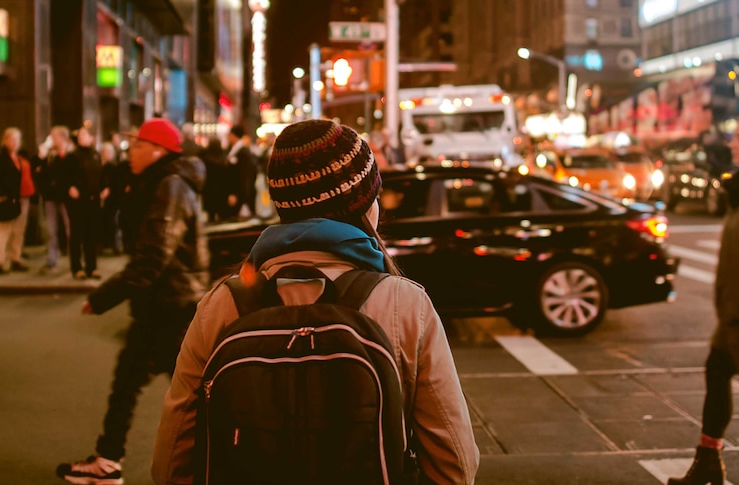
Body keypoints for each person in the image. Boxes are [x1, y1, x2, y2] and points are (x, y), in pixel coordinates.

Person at [151, 119, 480, 484]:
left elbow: (170, 465)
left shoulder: (223, 304)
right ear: (364, 206)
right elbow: (455, 466)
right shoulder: (404, 303)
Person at [56, 118, 208, 485]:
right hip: (164, 303)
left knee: (191, 395)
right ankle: (107, 460)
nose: (131, 153)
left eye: (138, 146)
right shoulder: (160, 182)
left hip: (170, 306)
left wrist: (103, 296)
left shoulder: (169, 185)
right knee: (140, 385)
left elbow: (155, 255)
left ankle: (229, 460)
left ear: (158, 150)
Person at [667, 115, 739, 485]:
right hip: (736, 311)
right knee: (716, 371)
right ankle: (708, 461)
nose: (732, 144)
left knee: (718, 370)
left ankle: (708, 462)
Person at [0, 127, 34, 274]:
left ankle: (15, 258)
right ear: (5, 141)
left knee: (18, 231)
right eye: (11, 139)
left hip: (21, 198)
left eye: (17, 140)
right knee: (3, 229)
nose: (14, 142)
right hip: (6, 198)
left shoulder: (20, 158)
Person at [65, 126, 106, 280]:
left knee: (92, 234)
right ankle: (77, 268)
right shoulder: (72, 156)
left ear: (91, 138)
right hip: (78, 201)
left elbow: (101, 175)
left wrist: (104, 188)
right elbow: (65, 177)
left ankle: (92, 266)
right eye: (80, 135)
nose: (82, 137)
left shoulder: (95, 155)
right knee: (77, 235)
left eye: (85, 135)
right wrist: (70, 187)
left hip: (93, 200)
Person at [34, 126, 72, 274]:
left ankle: (74, 260)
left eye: (54, 137)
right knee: (52, 230)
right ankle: (51, 260)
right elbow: (40, 174)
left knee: (70, 229)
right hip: (51, 197)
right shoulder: (49, 156)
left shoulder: (69, 155)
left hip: (66, 197)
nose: (51, 140)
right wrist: (41, 159)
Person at [225, 125, 258, 218]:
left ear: (233, 135)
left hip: (240, 197)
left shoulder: (243, 152)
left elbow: (245, 176)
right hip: (236, 195)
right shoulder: (235, 150)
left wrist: (239, 196)